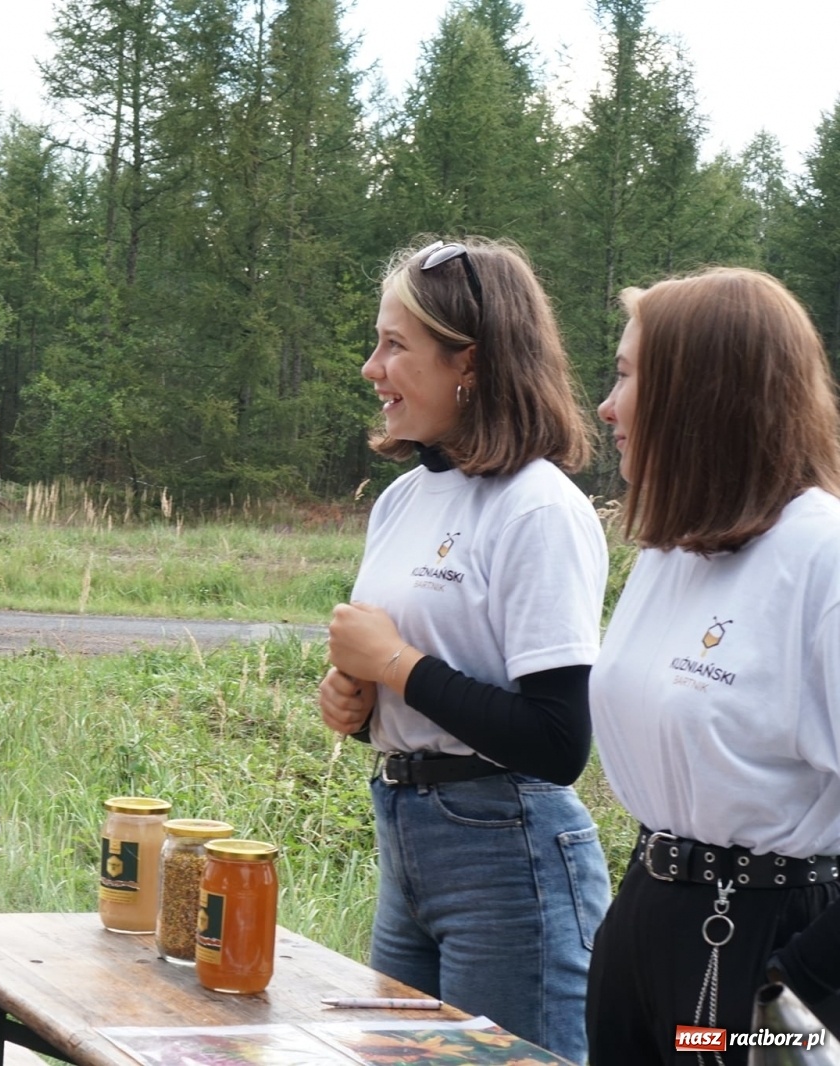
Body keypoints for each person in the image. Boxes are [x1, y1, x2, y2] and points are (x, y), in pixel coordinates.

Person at [318, 237, 610, 1062]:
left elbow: (558, 743)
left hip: (507, 855)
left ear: (469, 364)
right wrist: (355, 700)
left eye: (395, 345)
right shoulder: (403, 500)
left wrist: (398, 667)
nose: (372, 369)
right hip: (406, 832)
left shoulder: (537, 509)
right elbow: (400, 668)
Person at [587, 268, 840, 1063]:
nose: (606, 406)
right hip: (644, 926)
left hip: (754, 953)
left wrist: (792, 985)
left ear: (701, 396)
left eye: (627, 376)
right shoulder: (676, 546)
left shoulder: (823, 555)